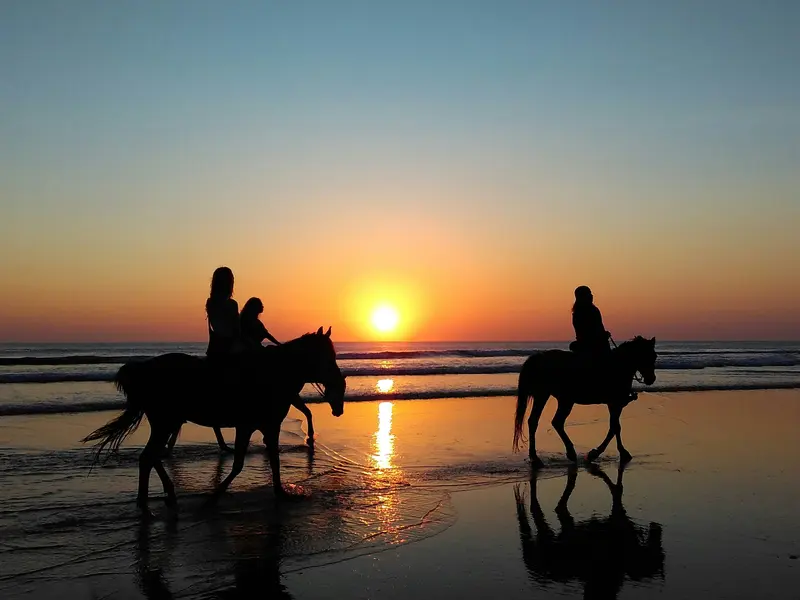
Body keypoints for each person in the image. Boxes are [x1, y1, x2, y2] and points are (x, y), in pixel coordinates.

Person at [205, 266, 242, 359]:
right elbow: (236, 331)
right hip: (229, 350)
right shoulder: (232, 304)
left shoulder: (210, 302)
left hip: (214, 349)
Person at [569, 285, 611, 358]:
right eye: (588, 294)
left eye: (590, 293)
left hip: (598, 342)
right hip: (590, 345)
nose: (591, 295)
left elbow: (599, 327)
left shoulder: (593, 310)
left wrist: (604, 334)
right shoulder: (580, 312)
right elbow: (586, 332)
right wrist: (602, 336)